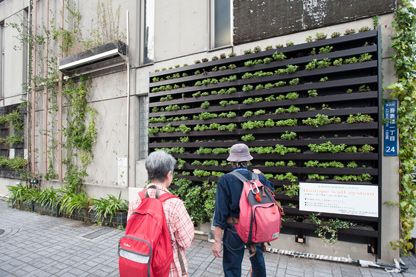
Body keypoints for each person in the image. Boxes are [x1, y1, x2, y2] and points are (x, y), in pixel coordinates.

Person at [212, 143, 275, 277]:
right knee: (258, 261)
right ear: (248, 160)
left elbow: (220, 212)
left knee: (232, 266)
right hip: (255, 226)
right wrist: (261, 175)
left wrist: (217, 241)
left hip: (234, 227)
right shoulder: (258, 178)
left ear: (231, 162)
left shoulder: (225, 180)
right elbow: (271, 191)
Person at [128, 150, 194, 277]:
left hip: (142, 265)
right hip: (169, 269)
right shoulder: (174, 204)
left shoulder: (135, 201)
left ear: (148, 174)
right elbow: (186, 241)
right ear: (169, 175)